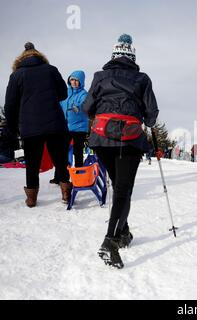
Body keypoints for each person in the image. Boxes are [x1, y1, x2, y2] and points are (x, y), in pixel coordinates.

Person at [83, 34, 159, 269]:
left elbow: (87, 108)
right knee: (123, 191)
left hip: (102, 139)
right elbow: (151, 115)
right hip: (130, 139)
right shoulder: (142, 78)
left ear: (114, 55)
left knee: (119, 187)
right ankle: (111, 241)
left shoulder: (99, 76)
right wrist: (146, 118)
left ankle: (123, 232)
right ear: (132, 56)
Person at [4, 42, 71, 207]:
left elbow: (10, 104)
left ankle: (32, 198)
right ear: (40, 56)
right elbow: (63, 93)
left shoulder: (16, 75)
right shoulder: (51, 70)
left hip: (30, 126)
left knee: (32, 163)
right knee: (60, 159)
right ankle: (66, 193)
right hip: (55, 122)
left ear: (20, 59)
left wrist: (12, 128)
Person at [50, 70, 89, 184]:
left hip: (79, 128)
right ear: (69, 80)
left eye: (77, 80)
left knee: (78, 152)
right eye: (72, 79)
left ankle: (78, 177)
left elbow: (84, 106)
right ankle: (60, 176)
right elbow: (58, 104)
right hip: (65, 127)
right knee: (61, 153)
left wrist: (78, 108)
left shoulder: (84, 94)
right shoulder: (65, 92)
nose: (74, 82)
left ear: (81, 82)